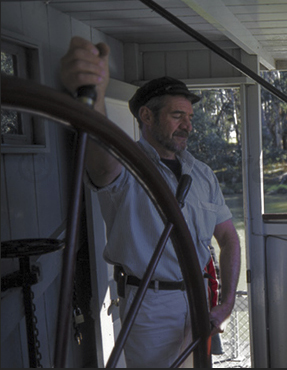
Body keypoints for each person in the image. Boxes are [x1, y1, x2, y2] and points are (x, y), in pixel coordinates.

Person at [60, 36, 241, 367]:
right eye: (176, 115)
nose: (187, 125)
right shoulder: (125, 168)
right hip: (150, 304)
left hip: (199, 298)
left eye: (189, 116)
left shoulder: (201, 174)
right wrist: (94, 99)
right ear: (146, 115)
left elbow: (228, 238)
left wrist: (226, 302)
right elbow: (101, 157)